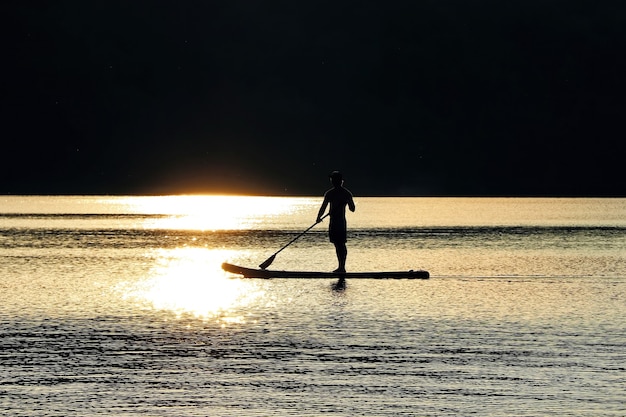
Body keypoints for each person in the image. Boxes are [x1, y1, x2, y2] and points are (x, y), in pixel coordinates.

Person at [316, 171, 356, 273]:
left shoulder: (346, 193)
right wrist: (318, 217)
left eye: (334, 180)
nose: (332, 181)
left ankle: (342, 267)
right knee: (337, 244)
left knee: (341, 244)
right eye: (332, 180)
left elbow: (353, 209)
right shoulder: (329, 193)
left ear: (339, 181)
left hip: (341, 223)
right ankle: (340, 267)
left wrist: (346, 201)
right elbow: (323, 207)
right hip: (333, 222)